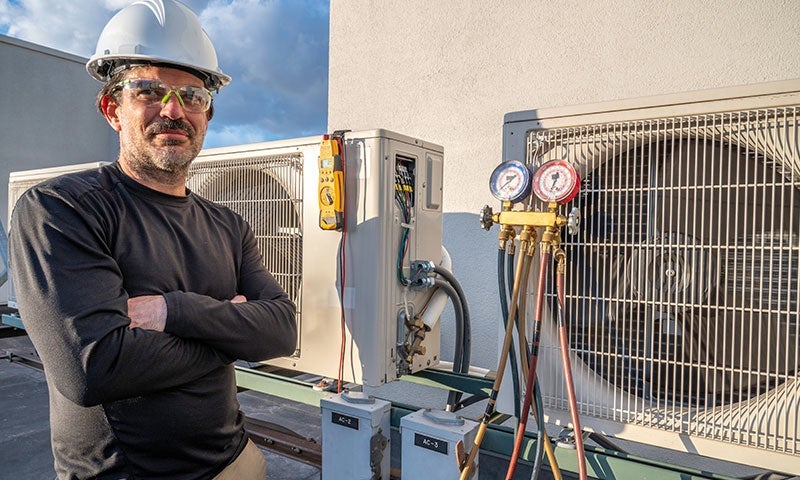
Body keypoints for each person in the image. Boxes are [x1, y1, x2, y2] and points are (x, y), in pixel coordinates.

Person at [8, 1, 297, 479]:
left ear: (208, 114)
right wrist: (234, 330)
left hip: (237, 462)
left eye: (192, 96)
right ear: (112, 109)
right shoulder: (62, 209)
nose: (173, 111)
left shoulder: (228, 225)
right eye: (149, 90)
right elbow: (92, 369)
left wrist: (173, 312)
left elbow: (282, 329)